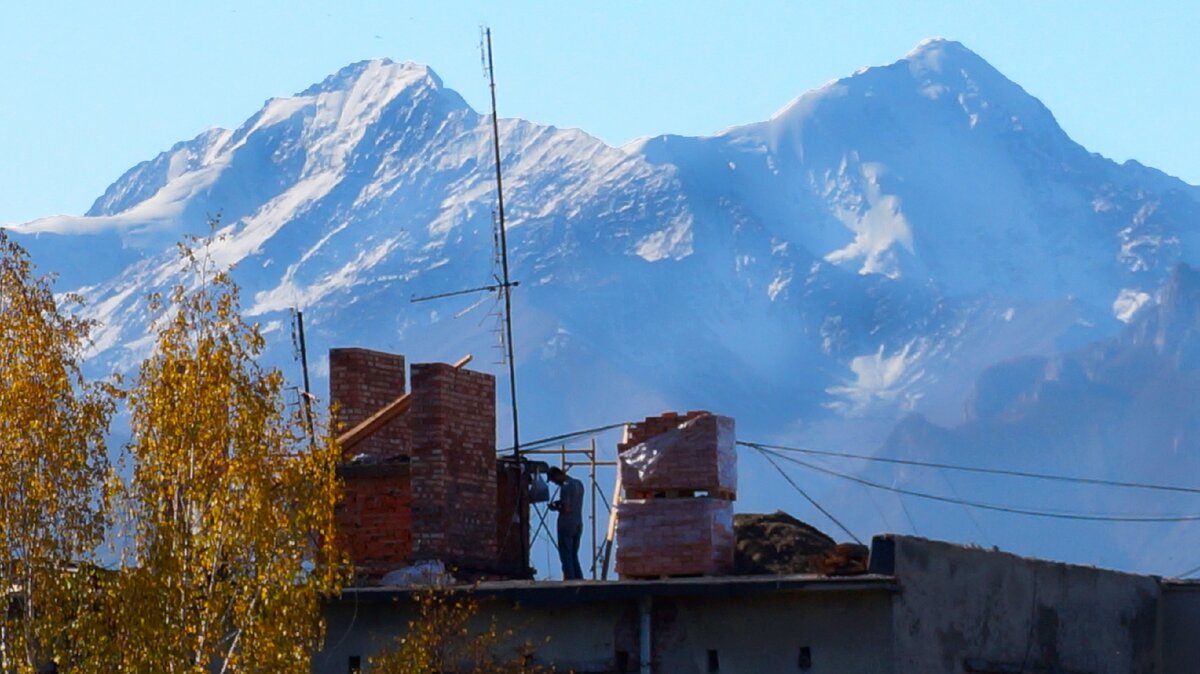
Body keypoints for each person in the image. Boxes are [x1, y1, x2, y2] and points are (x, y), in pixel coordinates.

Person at [547, 466, 584, 580]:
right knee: (573, 554)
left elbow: (566, 508)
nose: (554, 483)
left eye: (553, 480)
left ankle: (570, 581)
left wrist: (556, 506)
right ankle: (579, 579)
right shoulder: (579, 484)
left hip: (566, 524)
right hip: (578, 522)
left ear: (558, 475)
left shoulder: (566, 487)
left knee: (566, 554)